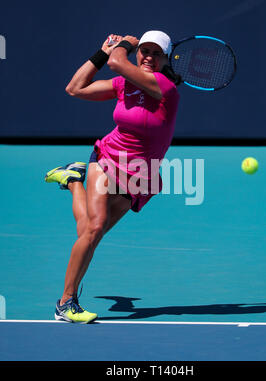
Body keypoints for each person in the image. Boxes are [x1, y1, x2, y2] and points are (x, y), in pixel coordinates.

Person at [45, 31, 180, 323]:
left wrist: (123, 46)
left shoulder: (164, 87)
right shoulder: (123, 84)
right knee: (93, 230)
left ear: (166, 59)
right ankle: (66, 303)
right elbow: (75, 88)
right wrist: (102, 53)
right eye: (144, 50)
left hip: (139, 175)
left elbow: (120, 63)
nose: (147, 57)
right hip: (107, 158)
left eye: (156, 53)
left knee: (91, 233)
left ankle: (72, 181)